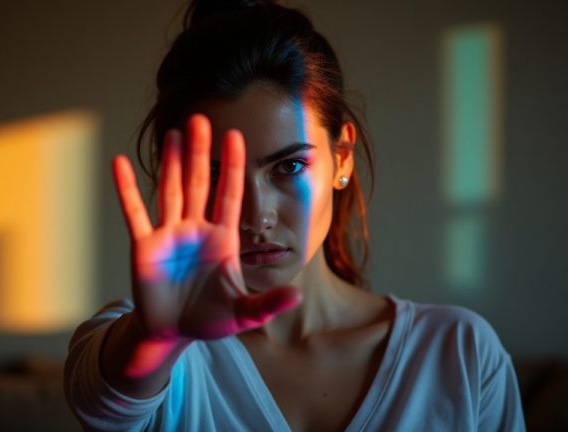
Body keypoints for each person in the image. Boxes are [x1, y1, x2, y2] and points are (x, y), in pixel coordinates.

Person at [64, 1, 525, 430]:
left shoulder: (459, 353)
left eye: (289, 166)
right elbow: (102, 407)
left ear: (341, 158)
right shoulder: (148, 341)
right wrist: (154, 338)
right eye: (218, 175)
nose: (256, 216)